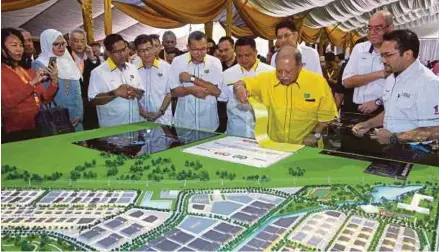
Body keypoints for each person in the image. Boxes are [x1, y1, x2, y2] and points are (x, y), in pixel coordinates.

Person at [233, 45, 338, 146]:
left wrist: (315, 134)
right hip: (273, 146)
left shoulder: (317, 83)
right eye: (279, 71)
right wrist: (239, 89)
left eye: (288, 71)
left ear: (300, 67)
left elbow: (327, 117)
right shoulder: (266, 79)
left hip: (306, 147)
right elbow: (241, 83)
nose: (283, 76)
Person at [352, 30, 439, 144]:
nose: (383, 60)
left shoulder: (429, 83)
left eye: (388, 55)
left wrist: (394, 138)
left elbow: (435, 130)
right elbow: (392, 112)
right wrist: (368, 124)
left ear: (407, 54)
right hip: (392, 150)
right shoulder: (391, 78)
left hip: (418, 154)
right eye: (382, 55)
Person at [2, 28, 58, 142]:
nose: (19, 49)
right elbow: (7, 103)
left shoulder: (26, 70)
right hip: (15, 131)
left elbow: (44, 98)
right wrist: (32, 83)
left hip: (38, 125)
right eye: (14, 45)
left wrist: (54, 80)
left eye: (21, 45)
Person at [168, 31, 223, 132]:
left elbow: (217, 91)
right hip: (184, 122)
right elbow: (174, 92)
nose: (200, 53)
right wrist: (191, 90)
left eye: (203, 49)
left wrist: (192, 79)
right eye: (195, 49)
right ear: (188, 47)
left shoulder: (215, 62)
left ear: (207, 47)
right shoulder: (178, 61)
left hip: (208, 122)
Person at [220, 37, 273, 138]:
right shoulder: (227, 74)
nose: (243, 59)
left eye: (247, 55)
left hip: (263, 133)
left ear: (256, 52)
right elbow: (224, 99)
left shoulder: (270, 73)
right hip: (235, 132)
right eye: (239, 56)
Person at [342, 11, 393, 114]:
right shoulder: (359, 49)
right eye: (370, 28)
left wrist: (379, 102)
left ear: (390, 28)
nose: (372, 32)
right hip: (357, 109)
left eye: (378, 28)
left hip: (386, 110)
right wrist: (381, 74)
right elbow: (346, 82)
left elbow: (406, 88)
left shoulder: (399, 51)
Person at [88, 34, 145, 128]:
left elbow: (141, 93)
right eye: (117, 52)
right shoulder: (98, 72)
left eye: (124, 49)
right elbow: (93, 100)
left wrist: (134, 91)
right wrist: (115, 93)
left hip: (135, 125)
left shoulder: (132, 68)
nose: (122, 54)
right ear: (109, 53)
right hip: (112, 129)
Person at [33, 29, 84, 131]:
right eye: (56, 44)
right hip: (55, 119)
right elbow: (43, 96)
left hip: (76, 118)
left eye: (63, 44)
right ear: (47, 44)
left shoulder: (69, 62)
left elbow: (78, 93)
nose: (61, 47)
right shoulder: (40, 64)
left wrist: (78, 115)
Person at [135, 35, 173, 125]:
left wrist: (160, 112)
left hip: (163, 120)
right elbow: (133, 96)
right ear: (137, 53)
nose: (146, 53)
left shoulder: (166, 68)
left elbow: (169, 93)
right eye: (142, 50)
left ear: (153, 48)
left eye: (149, 49)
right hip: (141, 120)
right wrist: (143, 113)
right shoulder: (133, 69)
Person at [68, 29, 101, 130]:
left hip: (91, 105)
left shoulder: (92, 59)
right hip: (74, 105)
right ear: (69, 42)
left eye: (82, 41)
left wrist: (91, 57)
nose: (79, 44)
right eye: (76, 41)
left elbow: (98, 75)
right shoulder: (65, 60)